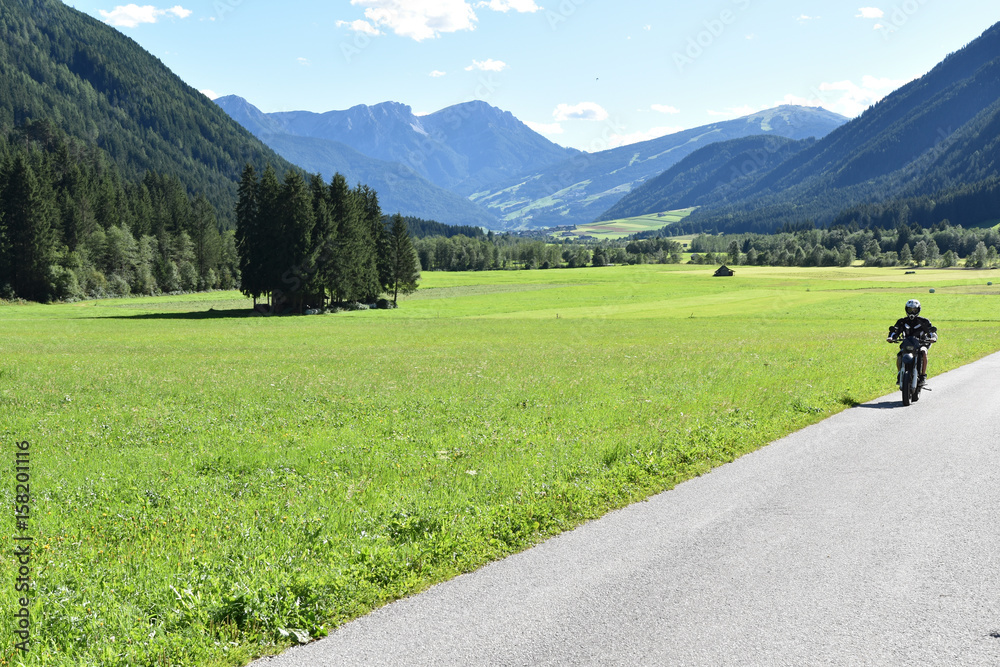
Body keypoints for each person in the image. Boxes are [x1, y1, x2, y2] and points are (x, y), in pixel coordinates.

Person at [887, 299, 937, 386]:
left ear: (918, 310)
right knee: (899, 355)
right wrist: (891, 337)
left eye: (915, 310)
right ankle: (900, 373)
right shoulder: (902, 321)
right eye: (910, 310)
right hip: (907, 343)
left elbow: (931, 331)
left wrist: (933, 337)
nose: (912, 312)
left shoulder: (924, 321)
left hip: (922, 343)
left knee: (923, 352)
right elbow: (895, 330)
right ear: (906, 310)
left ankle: (922, 375)